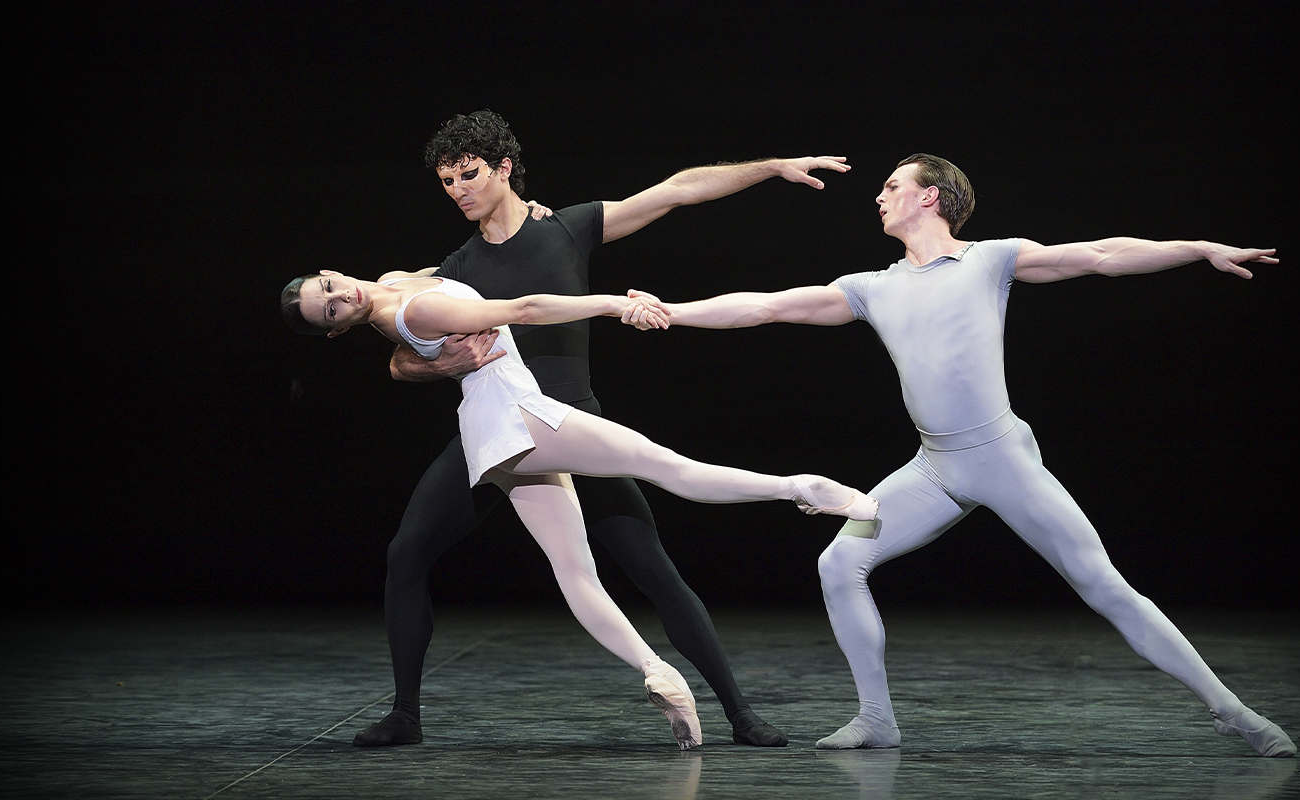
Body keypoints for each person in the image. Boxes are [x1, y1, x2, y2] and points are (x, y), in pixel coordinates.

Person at [627, 154, 1299, 757]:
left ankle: (1231, 711)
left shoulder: (990, 260)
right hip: (934, 468)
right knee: (839, 562)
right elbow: (765, 308)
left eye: (893, 186)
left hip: (1002, 458)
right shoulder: (871, 287)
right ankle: (876, 718)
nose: (880, 196)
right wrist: (673, 312)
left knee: (1104, 587)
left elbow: (1097, 254)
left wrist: (1198, 248)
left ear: (931, 198)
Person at [364, 110, 854, 748]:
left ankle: (738, 713)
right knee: (406, 555)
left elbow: (676, 190)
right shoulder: (455, 267)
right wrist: (424, 367)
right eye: (448, 182)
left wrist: (769, 168)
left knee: (651, 568)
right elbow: (392, 328)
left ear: (504, 168)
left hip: (574, 423)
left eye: (470, 174)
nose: (459, 190)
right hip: (500, 433)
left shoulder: (565, 228)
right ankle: (405, 715)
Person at [281, 269, 876, 749]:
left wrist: (418, 362)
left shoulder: (395, 281)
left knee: (575, 568)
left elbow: (411, 340)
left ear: (333, 273)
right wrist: (616, 305)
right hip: (519, 414)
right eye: (329, 309)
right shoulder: (411, 311)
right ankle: (798, 488)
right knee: (668, 467)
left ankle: (656, 670)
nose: (340, 296)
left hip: (493, 436)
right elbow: (526, 309)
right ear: (336, 329)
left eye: (328, 287)